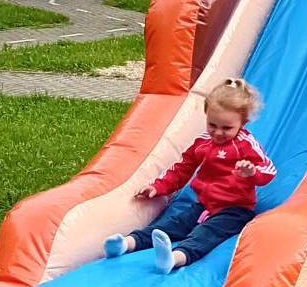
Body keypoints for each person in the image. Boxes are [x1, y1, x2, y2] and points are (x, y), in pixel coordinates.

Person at [104, 78, 276, 272]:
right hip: (203, 205)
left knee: (205, 234)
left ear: (243, 122)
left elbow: (269, 169)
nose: (218, 132)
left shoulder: (245, 144)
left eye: (226, 128)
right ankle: (127, 243)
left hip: (235, 210)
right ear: (206, 115)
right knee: (173, 224)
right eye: (212, 125)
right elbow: (182, 168)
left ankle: (174, 258)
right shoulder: (203, 142)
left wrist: (252, 172)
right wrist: (158, 186)